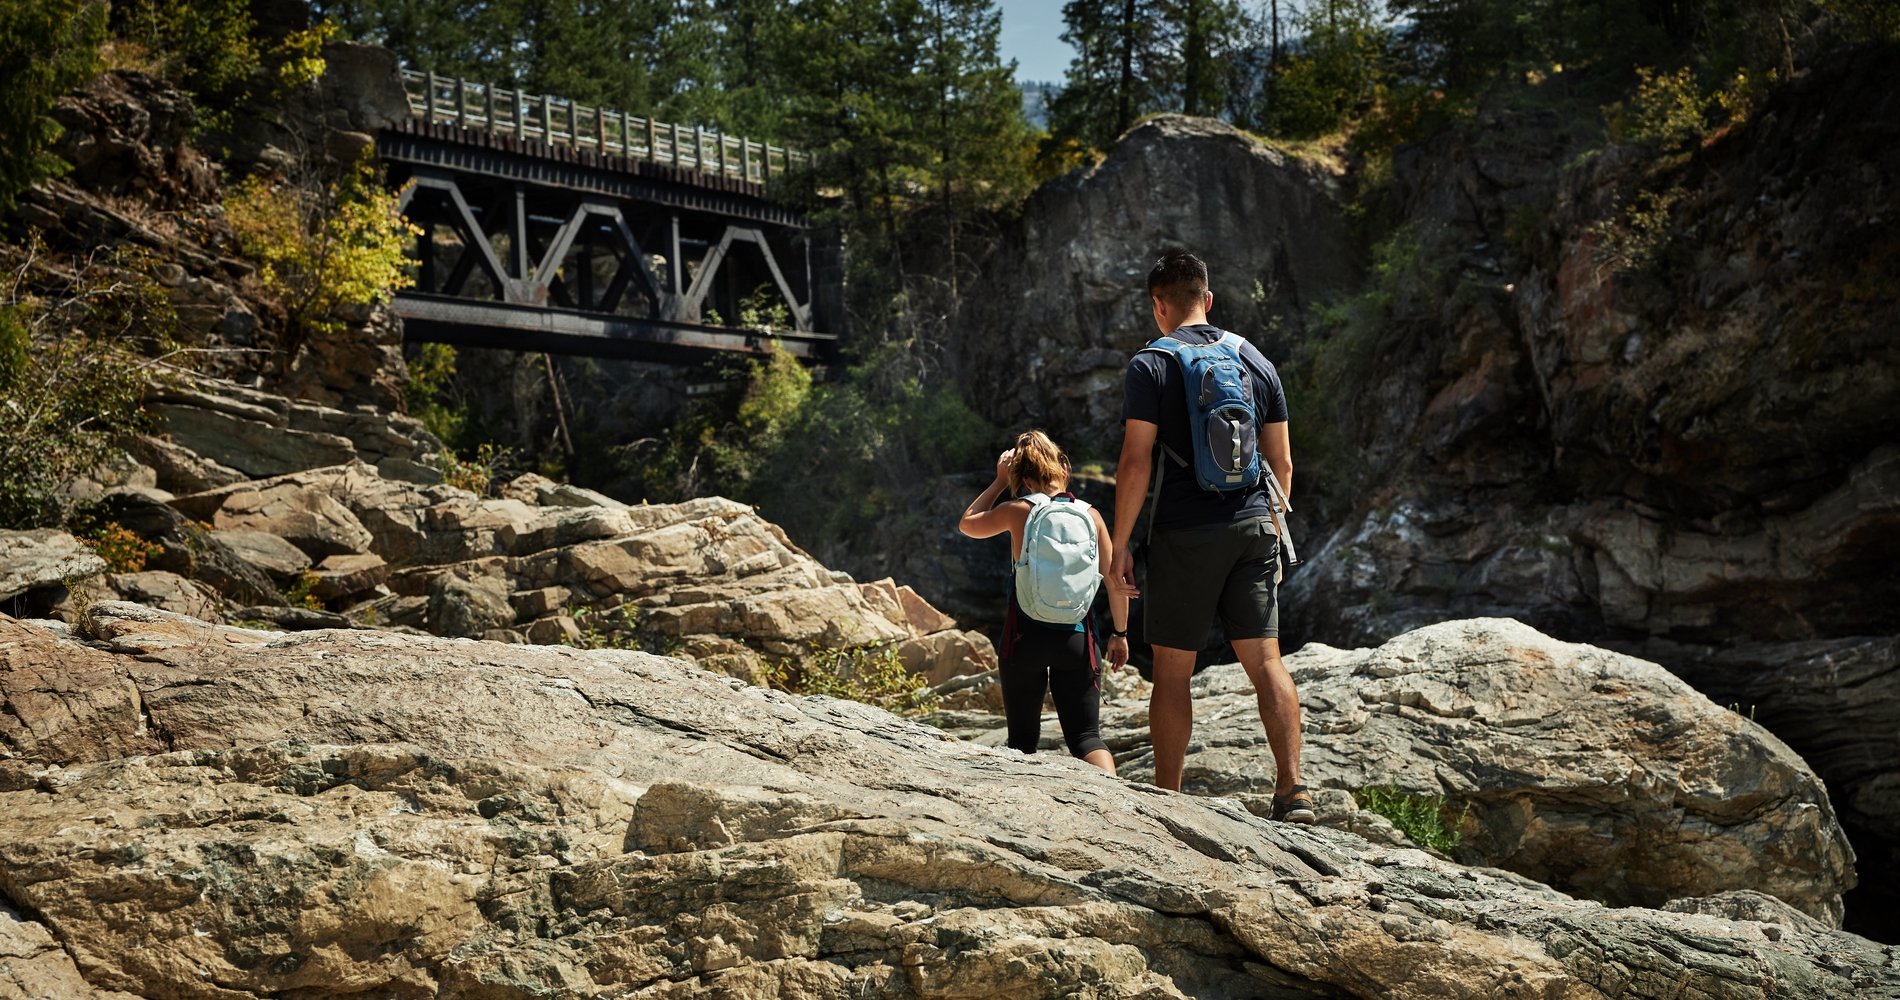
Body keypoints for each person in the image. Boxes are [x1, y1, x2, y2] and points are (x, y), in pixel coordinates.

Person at [1107, 250, 1313, 823]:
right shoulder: (1255, 360)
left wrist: (1120, 545)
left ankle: (1169, 801)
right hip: (1254, 526)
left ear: (1158, 305)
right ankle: (1293, 790)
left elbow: (1136, 461)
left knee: (1173, 670)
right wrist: (1270, 530)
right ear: (1209, 298)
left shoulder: (1151, 364)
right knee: (1266, 660)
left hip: (1184, 532)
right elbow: (1283, 464)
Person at [959, 430, 1129, 774]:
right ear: (1064, 470)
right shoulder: (1092, 516)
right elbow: (1114, 581)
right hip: (1078, 642)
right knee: (1087, 738)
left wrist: (999, 481)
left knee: (1022, 742)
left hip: (1025, 640)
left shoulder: (1018, 510)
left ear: (1023, 479)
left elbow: (967, 524)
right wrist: (1120, 633)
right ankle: (1116, 796)